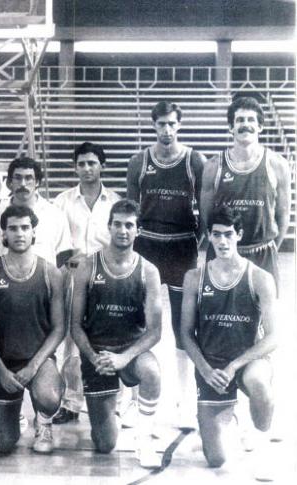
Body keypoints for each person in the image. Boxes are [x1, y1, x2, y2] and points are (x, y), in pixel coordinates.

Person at [180, 206, 278, 481]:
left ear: (239, 235)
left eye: (228, 234)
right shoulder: (195, 278)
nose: (222, 241)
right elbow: (186, 333)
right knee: (217, 460)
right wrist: (205, 370)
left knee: (260, 385)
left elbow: (273, 337)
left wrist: (235, 365)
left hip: (247, 360)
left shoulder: (259, 277)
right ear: (208, 237)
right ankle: (226, 416)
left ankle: (261, 451)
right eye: (216, 235)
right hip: (212, 364)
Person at [126, 101, 207, 427]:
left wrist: (194, 244)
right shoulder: (139, 161)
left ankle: (184, 400)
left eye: (172, 123)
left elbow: (205, 207)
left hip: (181, 248)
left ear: (179, 125)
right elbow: (130, 211)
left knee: (181, 327)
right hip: (147, 245)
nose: (167, 130)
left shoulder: (193, 160)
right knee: (139, 323)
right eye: (161, 124)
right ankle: (134, 399)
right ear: (154, 125)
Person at [70, 199, 163, 468]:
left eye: (129, 225)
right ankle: (108, 409)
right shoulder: (87, 266)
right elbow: (75, 325)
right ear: (109, 227)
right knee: (105, 445)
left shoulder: (149, 271)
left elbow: (155, 331)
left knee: (152, 371)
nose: (123, 230)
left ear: (138, 231)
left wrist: (124, 358)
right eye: (118, 224)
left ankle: (144, 440)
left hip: (131, 351)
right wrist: (91, 355)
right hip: (97, 353)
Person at [0, 205, 65, 455]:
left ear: (34, 232)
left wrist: (33, 366)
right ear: (3, 234)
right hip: (4, 363)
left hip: (39, 360)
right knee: (3, 445)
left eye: (25, 227)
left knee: (48, 397)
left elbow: (59, 329)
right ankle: (15, 415)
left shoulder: (51, 273)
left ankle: (45, 418)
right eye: (13, 228)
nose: (19, 233)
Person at [53, 141, 121, 424]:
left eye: (92, 163)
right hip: (72, 276)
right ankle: (70, 402)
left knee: (107, 337)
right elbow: (56, 242)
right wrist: (73, 256)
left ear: (102, 165)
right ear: (74, 167)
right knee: (71, 340)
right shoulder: (63, 201)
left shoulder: (116, 202)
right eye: (81, 163)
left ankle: (110, 399)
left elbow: (123, 241)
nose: (86, 168)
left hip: (107, 278)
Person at [201, 96, 290, 291]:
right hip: (223, 250)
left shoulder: (278, 164)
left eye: (251, 120)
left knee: (263, 317)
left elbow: (283, 215)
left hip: (262, 252)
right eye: (240, 120)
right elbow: (206, 216)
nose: (245, 125)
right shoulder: (213, 166)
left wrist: (271, 246)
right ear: (231, 127)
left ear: (260, 127)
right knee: (218, 316)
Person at [0, 156, 72, 268]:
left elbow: (63, 255)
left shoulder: (55, 215)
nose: (23, 184)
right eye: (18, 178)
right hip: (5, 282)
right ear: (10, 182)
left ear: (37, 182)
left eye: (28, 178)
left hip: (44, 283)